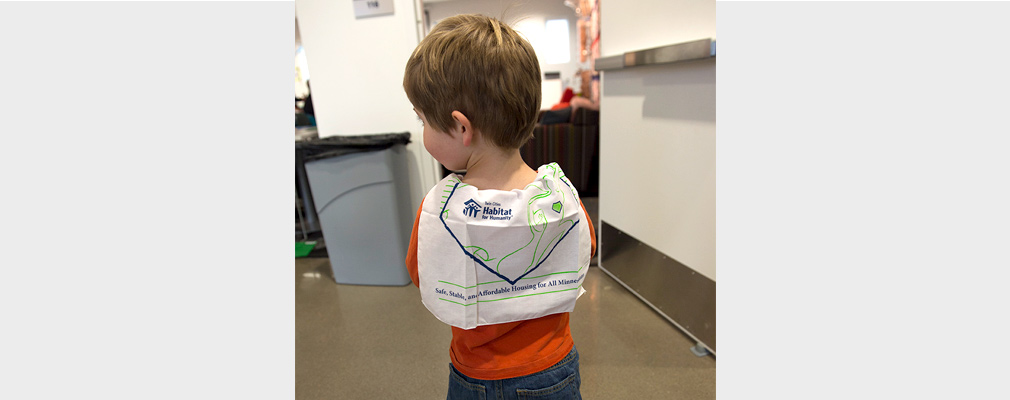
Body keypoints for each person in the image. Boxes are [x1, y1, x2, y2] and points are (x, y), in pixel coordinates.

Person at [403, 14, 596, 400]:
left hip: (475, 374)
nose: (422, 130)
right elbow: (585, 248)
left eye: (422, 120)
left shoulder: (440, 210)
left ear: (461, 127)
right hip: (553, 369)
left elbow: (422, 271)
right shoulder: (562, 198)